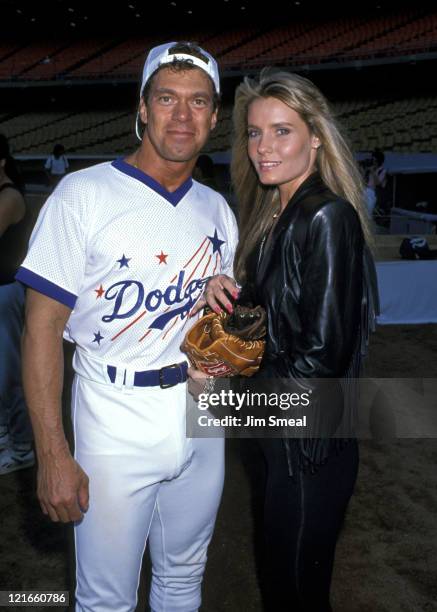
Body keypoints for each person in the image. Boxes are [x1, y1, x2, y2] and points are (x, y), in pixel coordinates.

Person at [17, 42, 238, 612]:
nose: (183, 116)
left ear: (215, 117)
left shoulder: (218, 209)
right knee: (106, 599)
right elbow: (40, 328)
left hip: (199, 413)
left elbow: (212, 322)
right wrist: (52, 454)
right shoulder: (82, 195)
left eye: (198, 102)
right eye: (167, 98)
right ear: (142, 108)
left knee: (185, 577)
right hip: (113, 410)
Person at [190, 69, 378, 611]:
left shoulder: (326, 215)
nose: (263, 148)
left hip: (310, 446)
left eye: (281, 131)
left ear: (316, 137)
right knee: (282, 586)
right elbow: (286, 310)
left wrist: (224, 402)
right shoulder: (277, 211)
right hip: (286, 438)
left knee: (294, 595)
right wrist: (230, 290)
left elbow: (318, 364)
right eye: (254, 133)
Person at [0, 134, 34, 475]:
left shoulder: (9, 196)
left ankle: (22, 448)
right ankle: (7, 440)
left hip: (7, 291)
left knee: (9, 374)